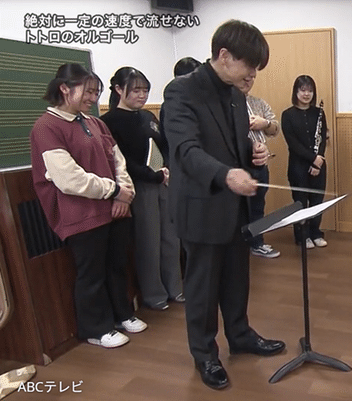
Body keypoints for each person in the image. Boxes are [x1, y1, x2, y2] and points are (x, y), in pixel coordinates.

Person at [162, 20, 285, 390]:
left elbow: (234, 144)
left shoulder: (234, 94)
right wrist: (227, 174)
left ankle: (240, 335)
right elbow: (186, 150)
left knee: (236, 278)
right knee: (202, 287)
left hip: (234, 207)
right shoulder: (181, 91)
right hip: (200, 207)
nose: (252, 75)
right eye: (249, 65)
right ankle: (204, 354)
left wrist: (253, 155)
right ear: (225, 55)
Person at [29, 63, 147, 349]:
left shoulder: (94, 123)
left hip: (114, 207)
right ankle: (96, 328)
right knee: (91, 273)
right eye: (88, 92)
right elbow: (69, 179)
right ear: (64, 89)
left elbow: (117, 160)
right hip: (81, 214)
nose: (93, 99)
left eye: (96, 93)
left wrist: (124, 193)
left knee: (117, 265)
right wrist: (114, 191)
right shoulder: (46, 127)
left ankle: (122, 315)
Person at [101, 67, 184, 311]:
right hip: (140, 186)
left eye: (145, 90)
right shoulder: (109, 121)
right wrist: (152, 175)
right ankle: (154, 294)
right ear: (119, 89)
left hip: (163, 181)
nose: (142, 95)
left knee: (171, 238)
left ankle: (176, 287)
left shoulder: (148, 116)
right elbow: (122, 160)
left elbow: (164, 144)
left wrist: (167, 169)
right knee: (149, 242)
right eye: (136, 90)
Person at [281, 75, 328, 249]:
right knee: (300, 202)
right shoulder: (287, 115)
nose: (306, 94)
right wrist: (312, 159)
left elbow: (322, 138)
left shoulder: (319, 113)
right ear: (296, 92)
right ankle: (302, 236)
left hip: (319, 165)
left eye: (310, 90)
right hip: (298, 166)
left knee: (317, 201)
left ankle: (315, 233)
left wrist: (318, 160)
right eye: (303, 90)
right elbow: (293, 144)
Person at [238, 69, 281, 258]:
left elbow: (276, 129)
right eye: (245, 77)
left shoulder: (258, 102)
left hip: (260, 163)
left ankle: (257, 243)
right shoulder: (226, 104)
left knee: (258, 206)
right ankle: (241, 245)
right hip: (239, 167)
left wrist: (265, 123)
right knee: (239, 209)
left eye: (252, 78)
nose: (249, 81)